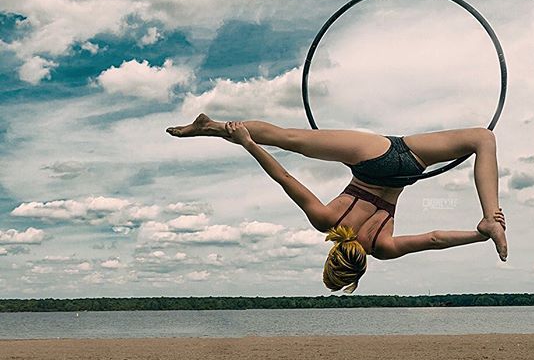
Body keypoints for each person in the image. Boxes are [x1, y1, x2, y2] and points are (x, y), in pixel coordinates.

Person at [167, 113, 507, 294]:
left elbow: (434, 239)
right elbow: (284, 177)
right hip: (373, 158)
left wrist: (477, 236)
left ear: (361, 266)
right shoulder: (327, 220)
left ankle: (491, 220)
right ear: (333, 257)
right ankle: (211, 127)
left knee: (482, 138)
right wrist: (245, 143)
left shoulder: (382, 247)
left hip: (409, 169)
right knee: (291, 139)